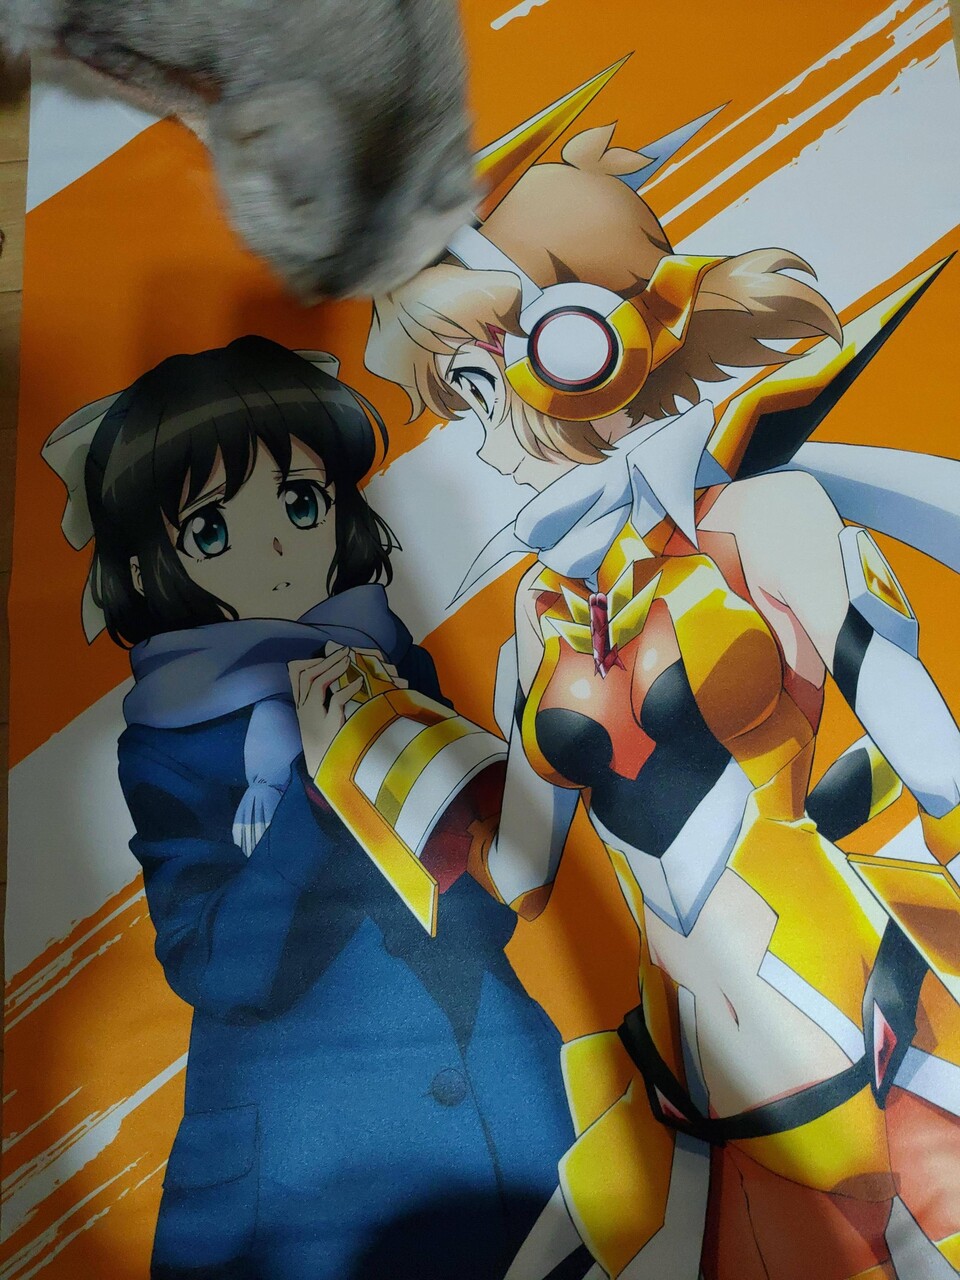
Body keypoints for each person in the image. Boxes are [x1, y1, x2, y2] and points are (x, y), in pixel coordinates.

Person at [364, 75, 960, 1280]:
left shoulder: (758, 522)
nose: (470, 431)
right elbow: (526, 870)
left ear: (579, 344)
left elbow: (930, 750)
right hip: (686, 1070)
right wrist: (397, 752)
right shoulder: (541, 617)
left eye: (474, 383)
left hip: (848, 1012)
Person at [43, 335, 574, 1280]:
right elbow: (220, 967)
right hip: (312, 1166)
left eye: (300, 502)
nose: (279, 547)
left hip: (498, 1105)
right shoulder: (172, 738)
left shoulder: (388, 664)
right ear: (153, 565)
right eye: (213, 529)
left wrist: (533, 729)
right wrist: (319, 794)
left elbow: (483, 893)